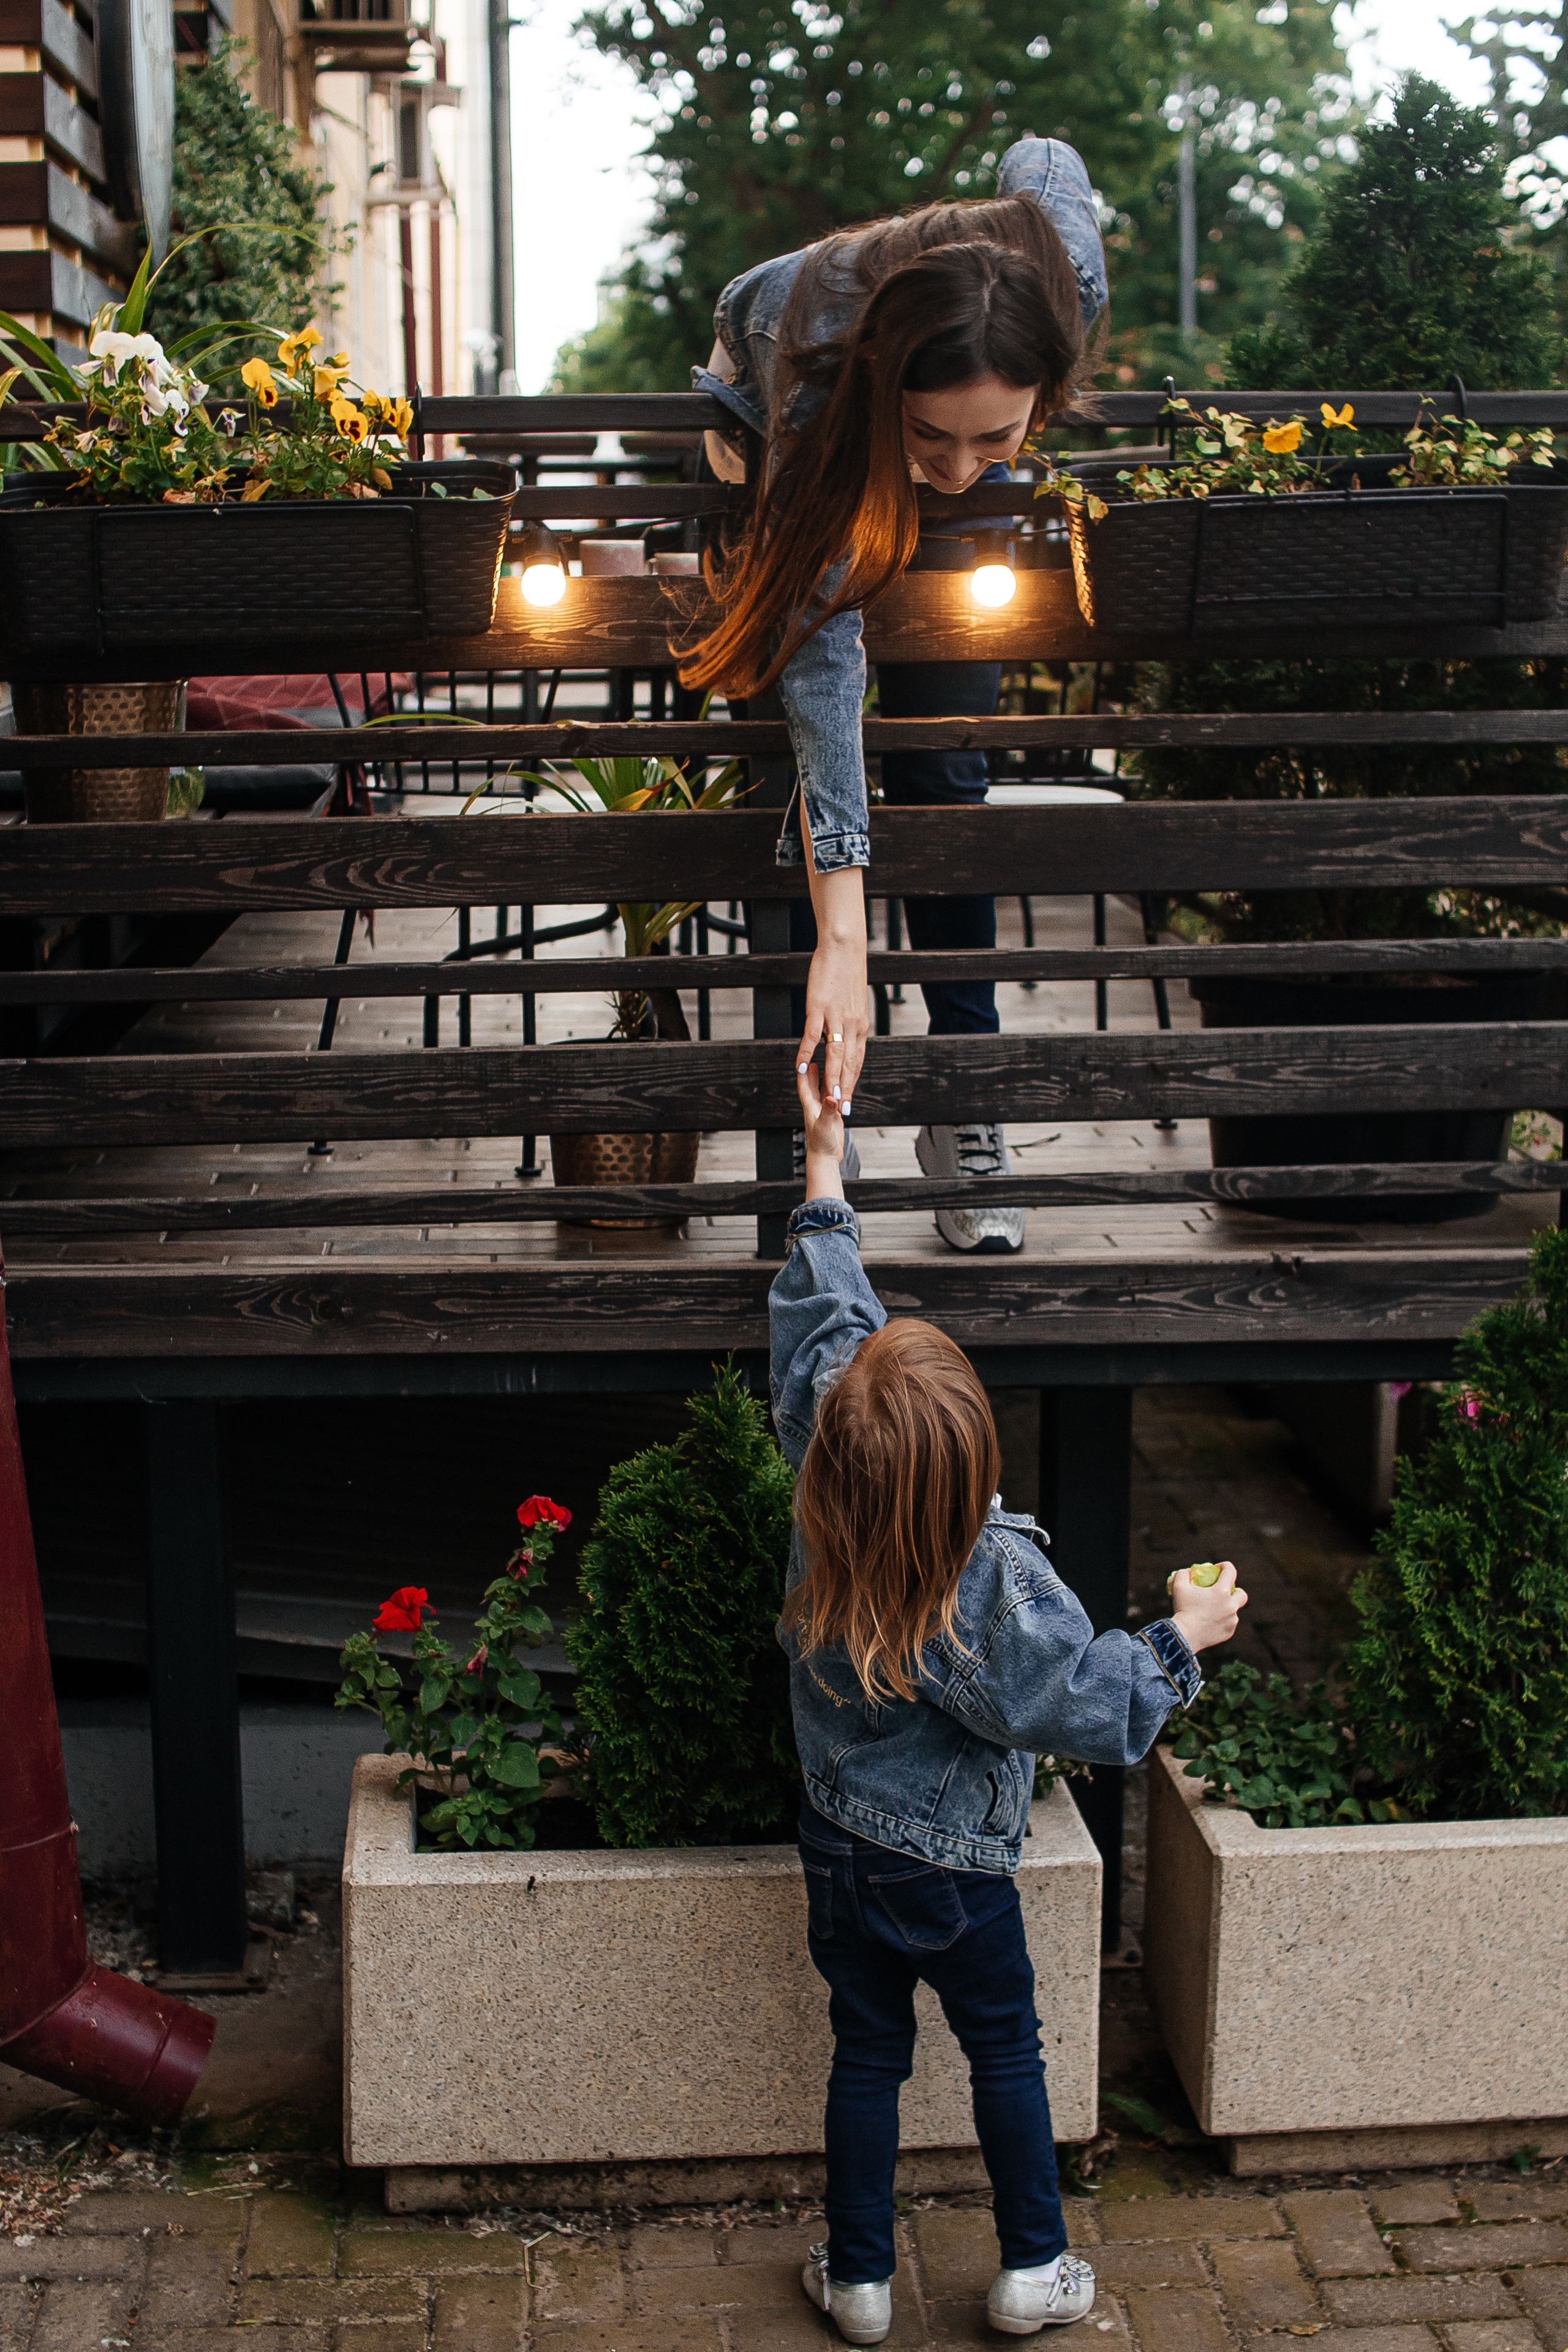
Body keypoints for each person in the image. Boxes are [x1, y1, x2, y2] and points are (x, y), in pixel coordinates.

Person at [768, 1064, 1247, 2343]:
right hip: (952, 1875)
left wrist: (825, 1166)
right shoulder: (985, 1579)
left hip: (838, 1844)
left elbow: (825, 1330)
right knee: (1004, 2052)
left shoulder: (823, 1465)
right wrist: (1183, 1635)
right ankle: (1032, 2265)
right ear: (972, 1457)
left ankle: (858, 2282)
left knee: (867, 2053)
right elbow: (1083, 1704)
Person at [684, 138, 1107, 1253]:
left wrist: (957, 449)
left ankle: (967, 1098)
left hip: (918, 461)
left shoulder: (1066, 281)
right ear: (893, 397)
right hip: (778, 421)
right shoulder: (817, 374)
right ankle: (825, 1110)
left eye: (998, 438)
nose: (963, 468)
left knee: (947, 767)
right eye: (937, 437)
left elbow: (1045, 155)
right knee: (796, 773)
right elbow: (826, 663)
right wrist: (846, 941)